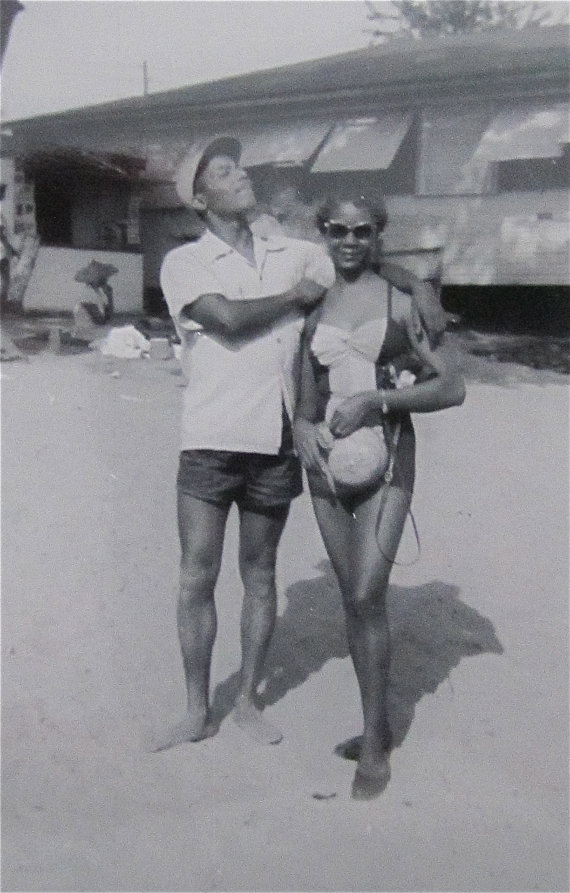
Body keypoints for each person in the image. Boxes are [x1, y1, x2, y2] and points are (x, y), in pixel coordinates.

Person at [156, 137, 448, 753]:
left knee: (260, 575)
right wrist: (294, 299)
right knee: (195, 577)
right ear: (202, 199)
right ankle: (192, 710)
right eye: (224, 173)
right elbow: (228, 319)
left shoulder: (295, 252)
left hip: (278, 440)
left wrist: (418, 288)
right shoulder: (185, 261)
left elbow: (359, 257)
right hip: (210, 437)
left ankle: (247, 704)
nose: (241, 177)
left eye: (240, 166)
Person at [293, 195, 465, 798]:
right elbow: (306, 398)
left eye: (361, 231)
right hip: (327, 469)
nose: (348, 240)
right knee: (354, 600)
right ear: (322, 232)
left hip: (389, 457)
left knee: (368, 592)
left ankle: (374, 747)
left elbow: (453, 386)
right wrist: (301, 430)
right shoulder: (312, 306)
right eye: (337, 229)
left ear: (377, 236)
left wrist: (379, 401)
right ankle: (376, 723)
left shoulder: (401, 300)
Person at [0, 183, 19, 310]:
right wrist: (9, 249)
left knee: (5, 279)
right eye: (3, 193)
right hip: (1, 251)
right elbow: (1, 233)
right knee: (5, 279)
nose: (4, 195)